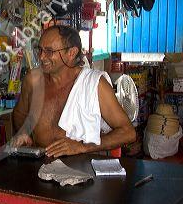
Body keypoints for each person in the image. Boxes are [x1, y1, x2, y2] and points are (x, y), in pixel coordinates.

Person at [12, 25, 136, 157]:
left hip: (82, 169)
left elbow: (128, 132)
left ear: (71, 53)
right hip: (40, 165)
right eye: (40, 50)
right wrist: (23, 132)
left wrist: (82, 147)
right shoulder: (33, 80)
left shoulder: (95, 84)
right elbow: (20, 114)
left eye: (49, 51)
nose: (41, 57)